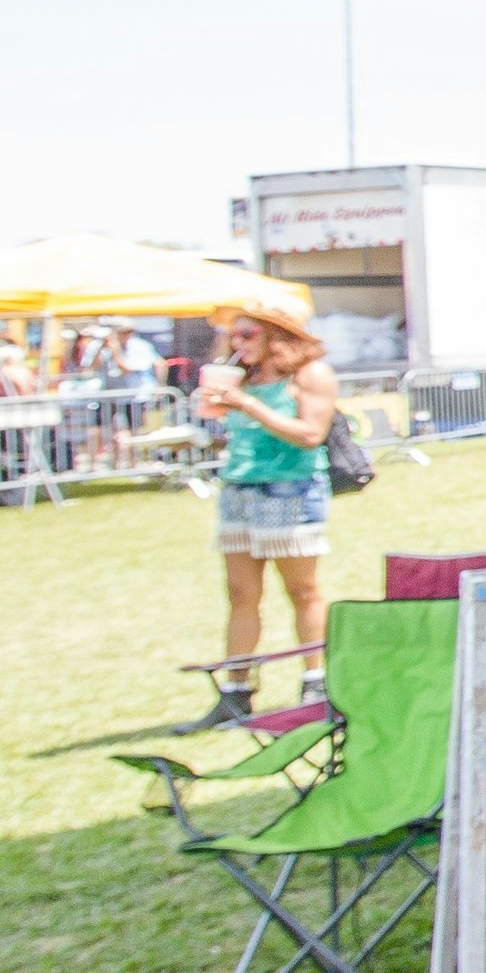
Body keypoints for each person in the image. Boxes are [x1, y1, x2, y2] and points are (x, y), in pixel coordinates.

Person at [188, 299, 340, 726]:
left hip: (290, 490)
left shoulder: (309, 375)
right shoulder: (241, 376)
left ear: (277, 334)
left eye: (247, 333)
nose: (238, 342)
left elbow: (311, 434)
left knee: (302, 591)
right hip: (240, 488)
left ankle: (317, 681)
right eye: (233, 335)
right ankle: (236, 691)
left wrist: (248, 405)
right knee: (240, 594)